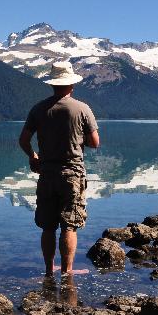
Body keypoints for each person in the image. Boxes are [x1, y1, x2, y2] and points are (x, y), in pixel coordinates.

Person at [19, 61, 100, 276]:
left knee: (48, 226)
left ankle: (48, 270)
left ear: (52, 85)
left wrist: (33, 156)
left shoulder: (38, 109)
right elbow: (95, 142)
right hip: (72, 174)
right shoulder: (82, 109)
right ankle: (67, 271)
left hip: (46, 174)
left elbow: (24, 140)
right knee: (69, 225)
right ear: (71, 84)